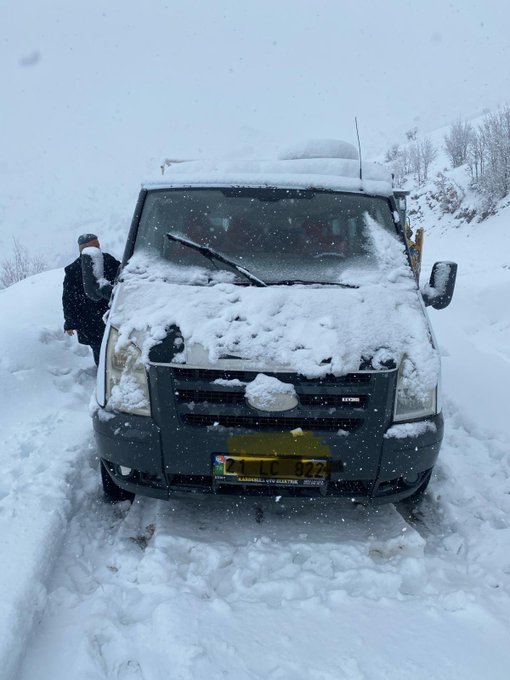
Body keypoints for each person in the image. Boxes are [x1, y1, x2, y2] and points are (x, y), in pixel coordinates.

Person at [62, 234, 120, 365]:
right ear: (84, 249)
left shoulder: (108, 260)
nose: (98, 249)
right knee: (100, 352)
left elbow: (122, 275)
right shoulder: (73, 270)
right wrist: (70, 322)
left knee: (116, 348)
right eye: (95, 246)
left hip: (110, 314)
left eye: (98, 245)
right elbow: (68, 298)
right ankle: (102, 377)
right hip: (89, 319)